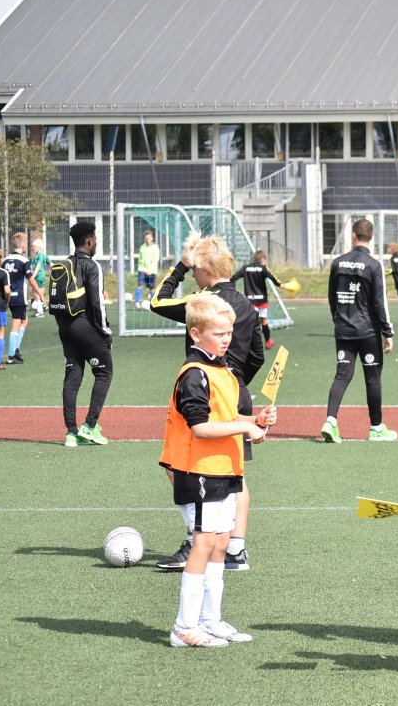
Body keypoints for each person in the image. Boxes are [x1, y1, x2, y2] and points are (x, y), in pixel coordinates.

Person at [160, 295, 276, 647]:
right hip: (198, 470)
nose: (227, 340)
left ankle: (210, 621)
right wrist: (246, 428)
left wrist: (255, 419)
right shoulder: (194, 374)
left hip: (224, 468)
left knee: (221, 543)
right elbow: (200, 427)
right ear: (196, 334)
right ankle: (184, 627)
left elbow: (225, 417)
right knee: (204, 543)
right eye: (218, 334)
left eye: (229, 333)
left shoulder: (223, 370)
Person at [151, 233, 265, 572]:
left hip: (206, 388)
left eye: (195, 268)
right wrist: (236, 382)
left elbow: (157, 301)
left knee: (180, 464)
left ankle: (196, 539)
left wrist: (180, 266)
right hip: (236, 389)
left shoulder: (201, 303)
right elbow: (257, 355)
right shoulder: (245, 303)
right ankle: (236, 549)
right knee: (235, 471)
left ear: (202, 269)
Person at [320, 218, 398, 443]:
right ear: (371, 238)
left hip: (343, 330)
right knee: (373, 379)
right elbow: (380, 302)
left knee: (342, 375)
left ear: (353, 236)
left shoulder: (337, 263)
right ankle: (376, 429)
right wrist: (388, 332)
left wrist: (338, 319)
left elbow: (332, 297)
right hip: (367, 332)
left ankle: (330, 421)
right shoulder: (374, 265)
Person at [55, 222, 113, 447]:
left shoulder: (65, 264)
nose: (96, 243)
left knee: (73, 376)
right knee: (104, 373)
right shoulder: (92, 265)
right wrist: (105, 331)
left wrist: (65, 327)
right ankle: (89, 426)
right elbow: (98, 302)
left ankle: (71, 433)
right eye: (95, 240)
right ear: (89, 241)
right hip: (86, 327)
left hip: (65, 327)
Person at [3, 232, 44, 364]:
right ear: (23, 246)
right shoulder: (24, 261)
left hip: (9, 297)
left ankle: (15, 349)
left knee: (24, 321)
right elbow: (31, 280)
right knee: (16, 324)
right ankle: (11, 356)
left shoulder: (5, 260)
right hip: (18, 297)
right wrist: (41, 294)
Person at [232, 249, 283, 348]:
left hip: (250, 300)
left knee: (251, 322)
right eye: (265, 259)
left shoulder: (245, 268)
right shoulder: (263, 268)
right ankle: (268, 341)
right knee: (263, 320)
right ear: (262, 259)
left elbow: (234, 277)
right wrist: (280, 285)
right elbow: (272, 277)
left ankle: (249, 344)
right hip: (262, 300)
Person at [135, 229, 160, 308]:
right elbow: (140, 259)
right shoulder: (142, 247)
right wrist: (139, 268)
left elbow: (155, 260)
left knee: (152, 287)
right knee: (140, 285)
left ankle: (152, 303)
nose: (147, 240)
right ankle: (137, 302)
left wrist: (150, 270)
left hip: (151, 271)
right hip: (142, 269)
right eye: (146, 239)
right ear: (144, 239)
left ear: (152, 238)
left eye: (149, 239)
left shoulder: (155, 247)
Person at [30, 238, 50, 318]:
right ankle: (43, 305)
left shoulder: (41, 255)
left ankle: (40, 311)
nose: (33, 248)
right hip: (36, 277)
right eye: (33, 246)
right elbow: (32, 266)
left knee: (37, 294)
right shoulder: (36, 255)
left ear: (39, 247)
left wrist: (33, 276)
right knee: (32, 291)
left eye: (35, 246)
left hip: (39, 277)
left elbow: (38, 266)